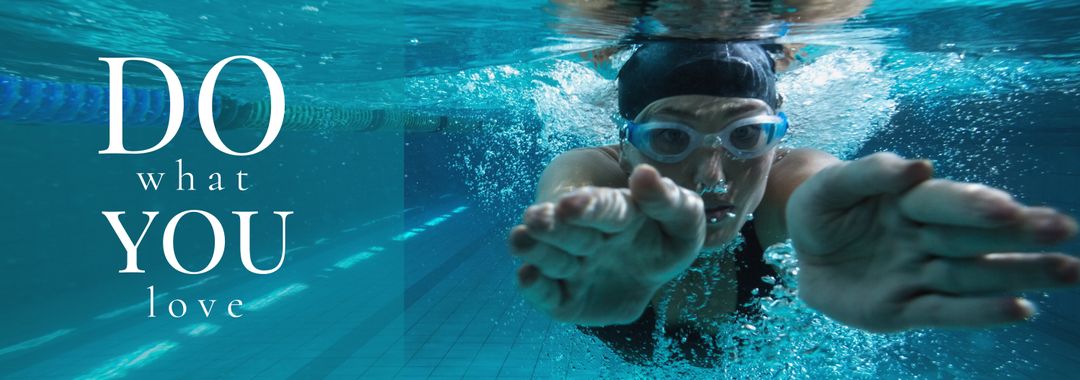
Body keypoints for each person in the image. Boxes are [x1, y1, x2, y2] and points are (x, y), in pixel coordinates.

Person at [507, 40, 1080, 365]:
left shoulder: (794, 180)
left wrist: (858, 226)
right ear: (628, 143)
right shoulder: (593, 172)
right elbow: (567, 199)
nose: (712, 175)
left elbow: (820, 185)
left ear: (777, 137)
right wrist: (574, 237)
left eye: (746, 136)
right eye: (670, 137)